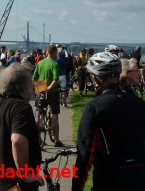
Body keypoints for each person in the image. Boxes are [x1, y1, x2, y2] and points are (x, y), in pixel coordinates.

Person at [72, 52, 145, 190]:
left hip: (108, 180)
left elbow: (85, 156)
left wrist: (77, 187)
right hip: (139, 179)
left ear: (97, 79)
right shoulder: (139, 103)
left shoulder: (94, 108)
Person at [0, 63, 44, 190]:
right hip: (12, 184)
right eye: (30, 85)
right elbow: (17, 140)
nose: (32, 89)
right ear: (23, 87)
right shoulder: (21, 107)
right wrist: (24, 174)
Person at [32, 44, 63, 147]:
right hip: (52, 91)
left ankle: (39, 134)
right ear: (54, 52)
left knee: (39, 110)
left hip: (40, 88)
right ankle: (57, 140)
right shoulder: (55, 64)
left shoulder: (40, 63)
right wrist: (49, 88)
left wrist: (39, 87)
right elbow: (55, 79)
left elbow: (34, 78)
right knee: (54, 115)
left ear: (47, 52)